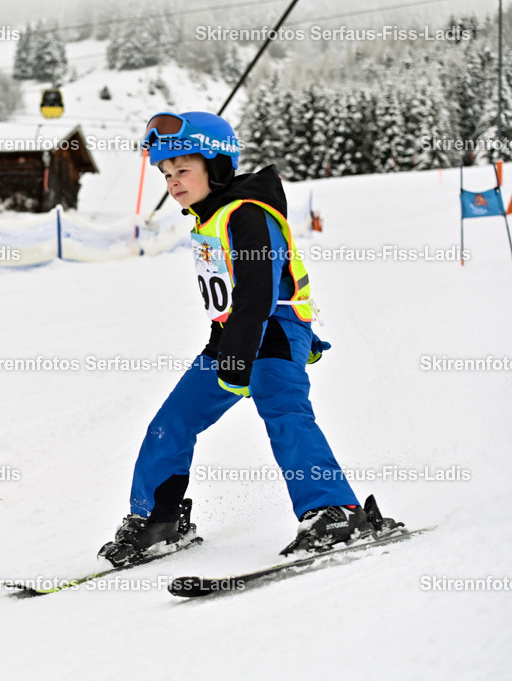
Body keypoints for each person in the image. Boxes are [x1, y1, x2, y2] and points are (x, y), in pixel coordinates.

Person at [98, 111, 376, 567]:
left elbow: (257, 293)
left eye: (183, 170)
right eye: (167, 174)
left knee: (281, 408)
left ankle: (335, 511)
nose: (173, 182)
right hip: (235, 338)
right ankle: (158, 519)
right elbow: (224, 300)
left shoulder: (247, 214)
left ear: (219, 166)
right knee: (172, 421)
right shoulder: (208, 219)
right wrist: (223, 349)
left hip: (278, 330)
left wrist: (239, 356)